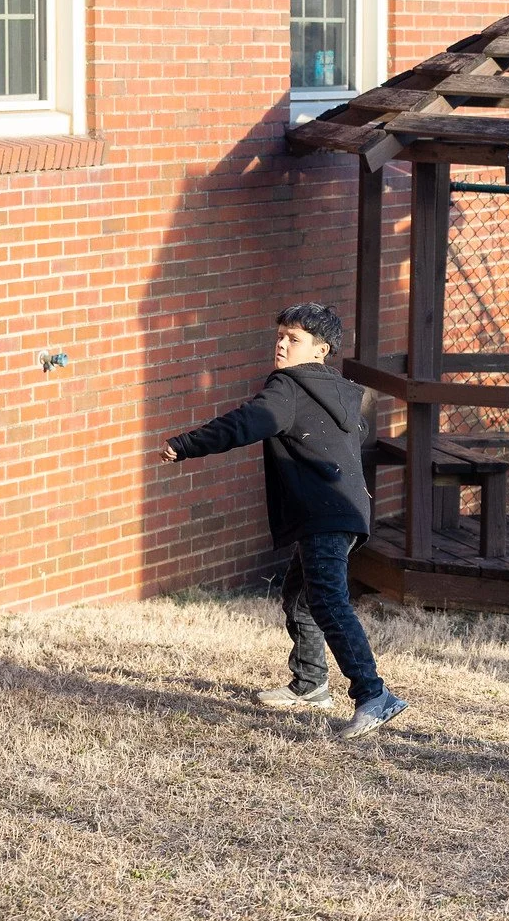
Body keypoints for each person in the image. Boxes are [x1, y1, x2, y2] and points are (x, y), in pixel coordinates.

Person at [160, 302, 406, 737]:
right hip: (348, 512)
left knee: (327, 600)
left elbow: (247, 422)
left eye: (294, 339)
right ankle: (310, 685)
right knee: (299, 597)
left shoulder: (289, 387)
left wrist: (187, 445)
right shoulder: (345, 393)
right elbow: (359, 435)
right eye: (280, 336)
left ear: (320, 349)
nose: (281, 345)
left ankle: (374, 695)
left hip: (323, 514)